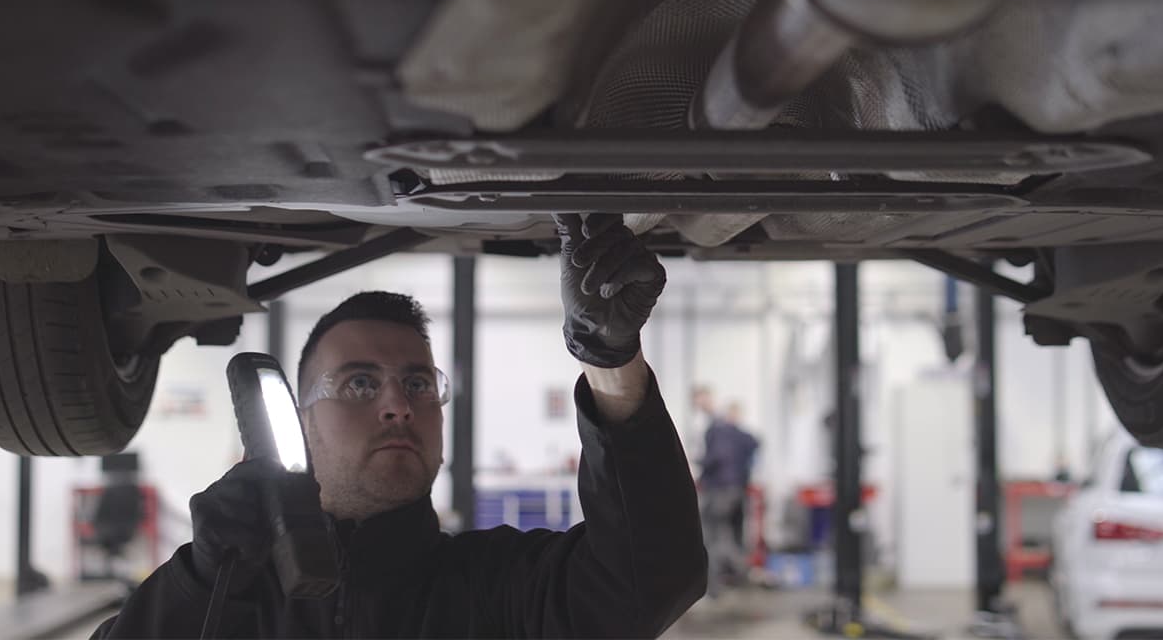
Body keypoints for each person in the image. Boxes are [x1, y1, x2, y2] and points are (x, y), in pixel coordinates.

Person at [93, 214, 707, 638]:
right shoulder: (230, 601)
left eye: (418, 384)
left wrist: (611, 359)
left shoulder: (498, 588)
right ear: (301, 421)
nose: (398, 406)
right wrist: (196, 579)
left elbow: (653, 575)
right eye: (360, 383)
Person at [697, 401, 759, 596]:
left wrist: (701, 465)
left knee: (714, 535)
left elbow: (716, 457)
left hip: (720, 489)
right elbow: (755, 443)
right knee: (732, 533)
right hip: (737, 489)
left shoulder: (720, 431)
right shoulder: (743, 436)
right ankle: (740, 572)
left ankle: (716, 583)